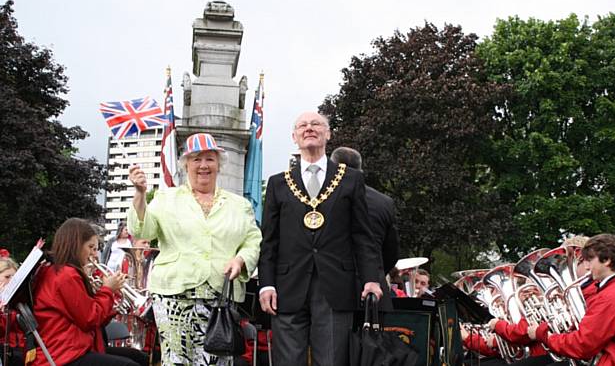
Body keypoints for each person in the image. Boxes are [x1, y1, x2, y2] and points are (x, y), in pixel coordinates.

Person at [258, 112, 382, 366]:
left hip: (335, 286)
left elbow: (363, 236)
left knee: (332, 361)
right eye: (302, 125)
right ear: (294, 137)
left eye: (316, 124)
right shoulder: (278, 184)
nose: (309, 128)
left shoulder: (351, 179)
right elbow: (269, 240)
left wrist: (371, 278)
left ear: (328, 134)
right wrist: (266, 284)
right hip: (287, 287)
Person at [128, 132, 262, 365]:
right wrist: (140, 194)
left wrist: (240, 260)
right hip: (173, 295)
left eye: (209, 159)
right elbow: (143, 231)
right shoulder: (165, 198)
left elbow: (253, 241)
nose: (203, 165)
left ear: (219, 164)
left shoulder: (239, 205)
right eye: (196, 159)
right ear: (185, 164)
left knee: (217, 361)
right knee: (176, 360)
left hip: (220, 297)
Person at [32, 218, 136, 366]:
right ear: (76, 245)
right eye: (91, 247)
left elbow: (95, 321)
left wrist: (112, 302)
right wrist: (107, 290)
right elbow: (90, 319)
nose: (94, 255)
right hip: (64, 354)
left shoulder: (57, 271)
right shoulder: (67, 275)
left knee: (138, 358)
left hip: (70, 348)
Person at [527, 234, 615, 365]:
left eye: (589, 260)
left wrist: (543, 334)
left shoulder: (612, 295)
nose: (587, 267)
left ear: (607, 260)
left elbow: (583, 344)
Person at [330, 146, 398, 311]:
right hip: (374, 290)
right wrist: (375, 270)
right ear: (360, 169)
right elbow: (392, 251)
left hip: (332, 288)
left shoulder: (322, 199)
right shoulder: (384, 202)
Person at [0, 255, 25, 366]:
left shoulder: (19, 298)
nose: (11, 281)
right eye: (7, 277)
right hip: (4, 352)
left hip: (20, 350)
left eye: (14, 278)